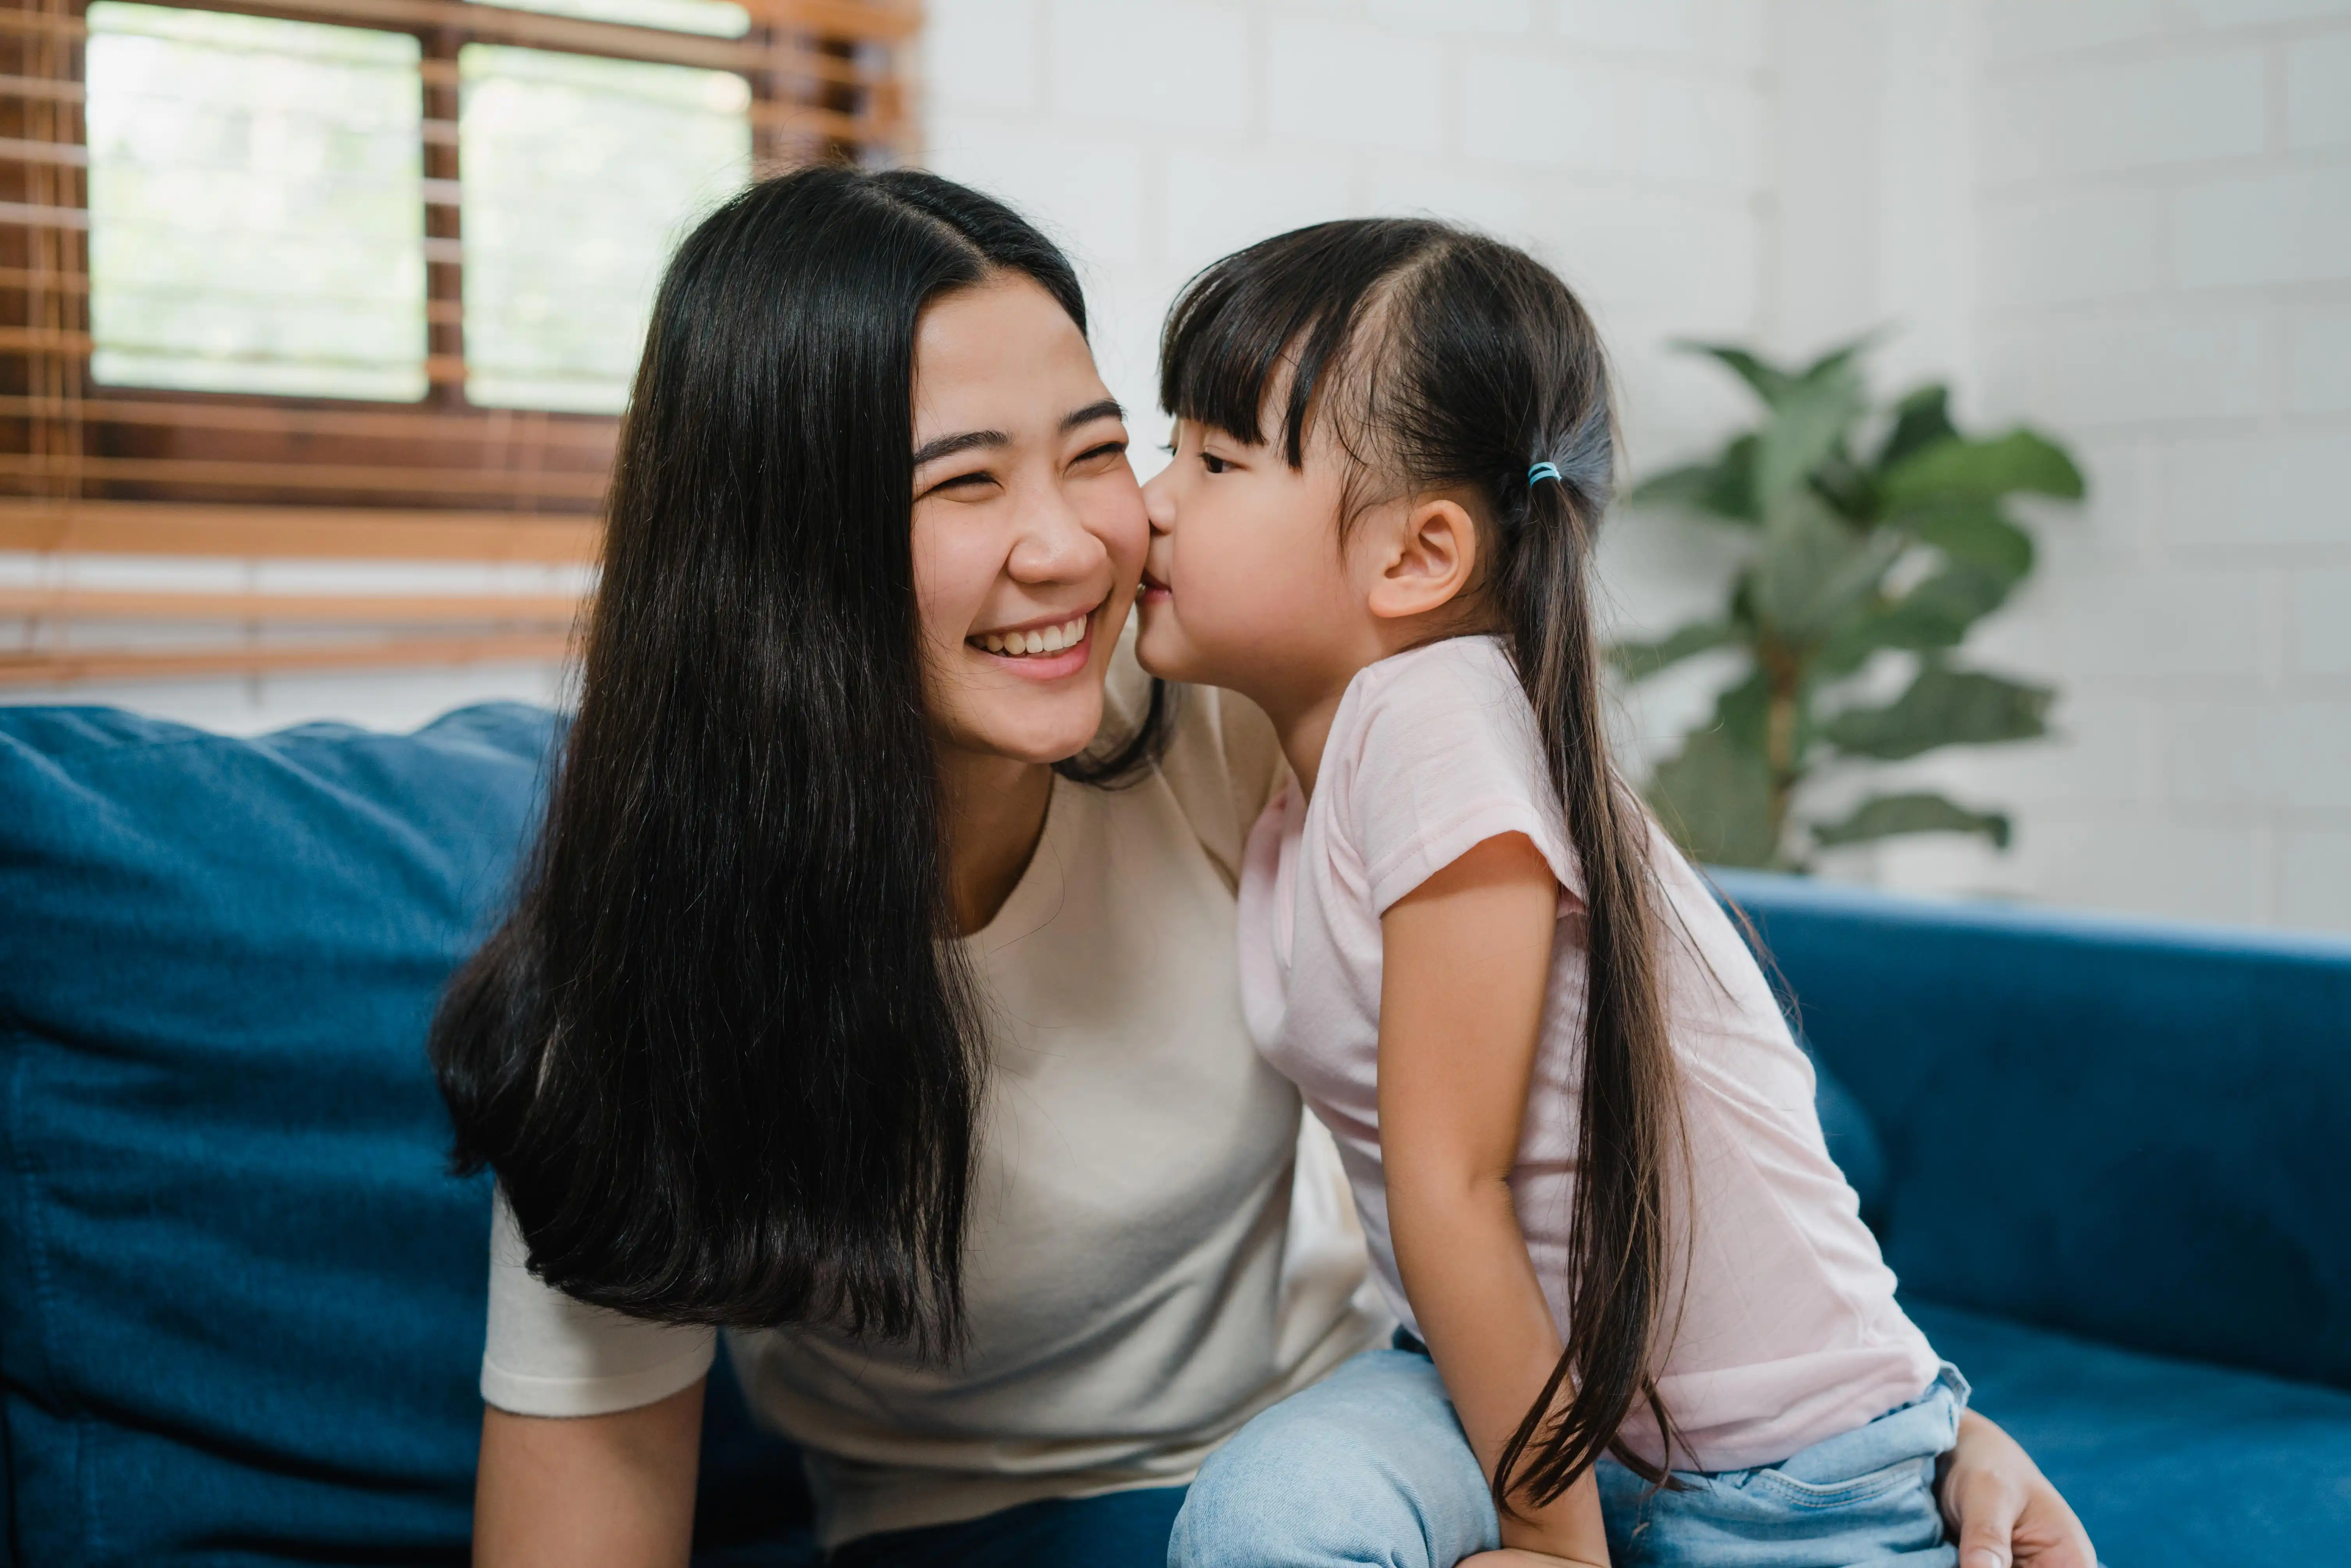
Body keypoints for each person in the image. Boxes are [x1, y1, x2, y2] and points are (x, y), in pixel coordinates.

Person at [431, 166, 2094, 1568]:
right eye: (967, 481)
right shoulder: (651, 966)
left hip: (1403, 1424)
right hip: (1025, 1521)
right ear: (774, 551)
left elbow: (1646, 1077)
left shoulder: (1243, 714)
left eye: (1101, 448)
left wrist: (1895, 1424)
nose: (1084, 536)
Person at [1136, 219, 2095, 1568]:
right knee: (1263, 1522)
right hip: (1509, 1397)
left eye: (1217, 462)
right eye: (1168, 443)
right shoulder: (1316, 759)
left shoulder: (1436, 722)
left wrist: (1553, 1551)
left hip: (1777, 1477)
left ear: (1417, 558)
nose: (1151, 500)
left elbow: (1452, 1186)